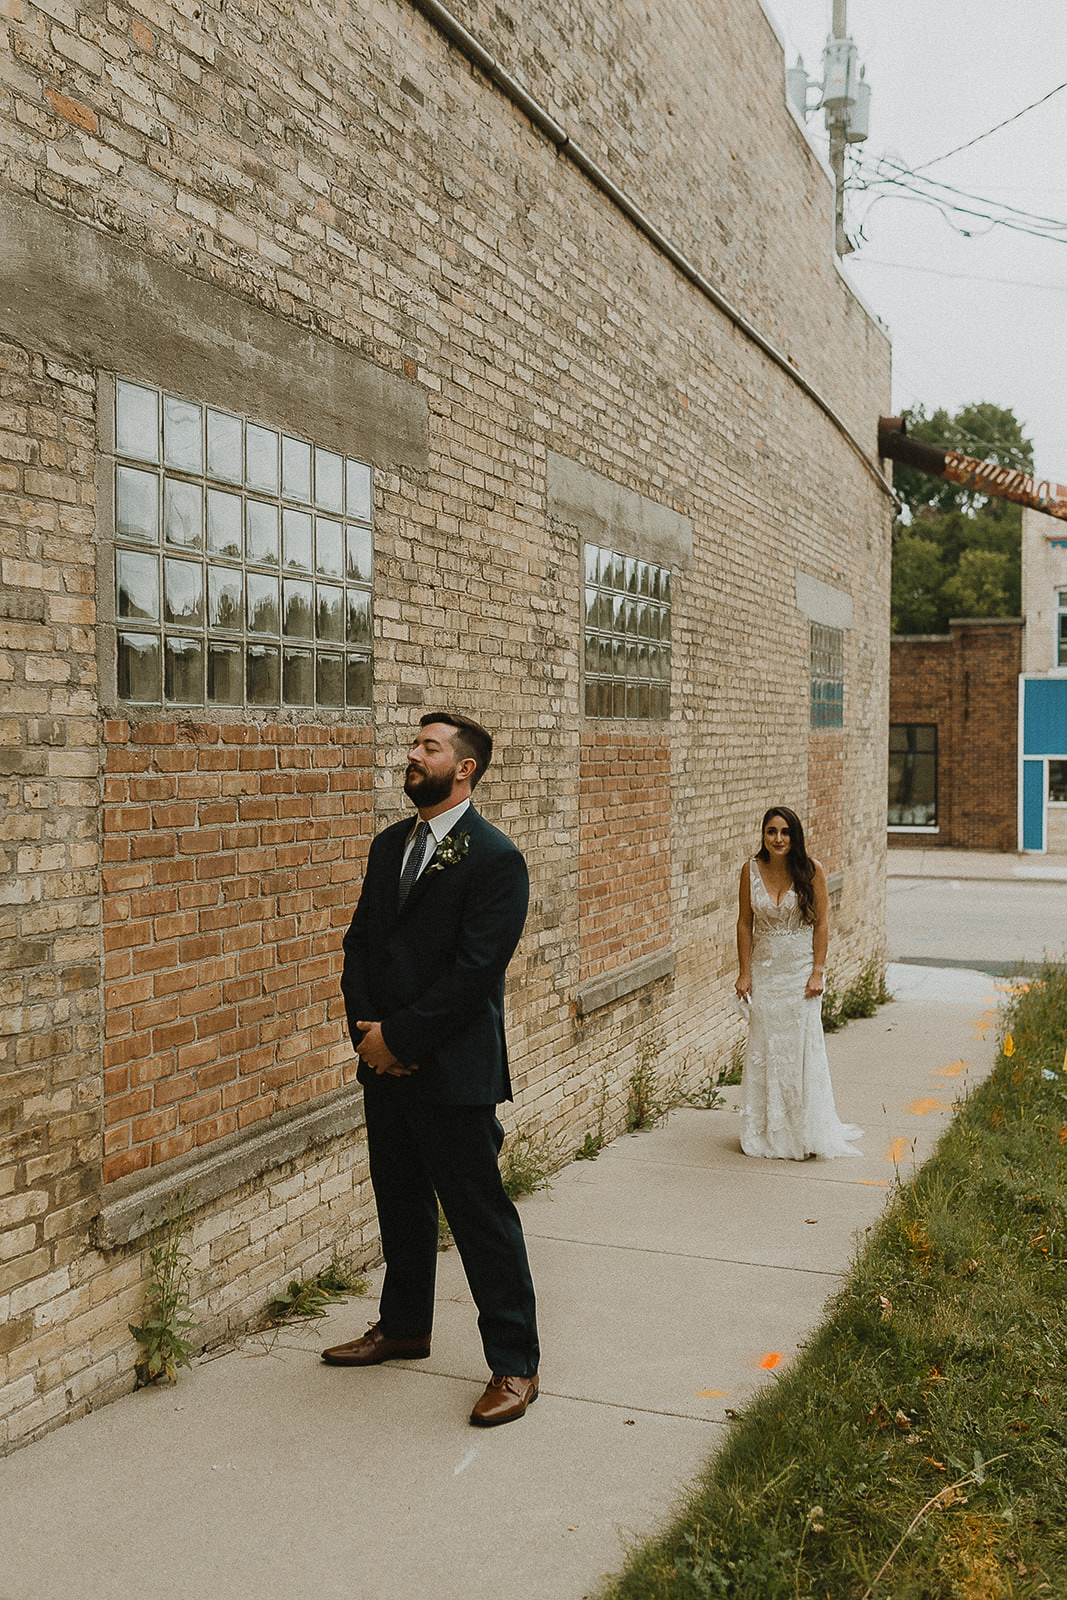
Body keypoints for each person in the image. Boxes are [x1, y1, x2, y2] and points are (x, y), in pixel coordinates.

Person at [322, 711, 540, 1427]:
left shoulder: (495, 858)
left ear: (465, 768)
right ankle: (405, 1327)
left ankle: (513, 1364)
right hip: (381, 1062)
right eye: (415, 745)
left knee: (480, 1219)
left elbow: (474, 973)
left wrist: (404, 1040)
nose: (412, 756)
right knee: (400, 1203)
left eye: (428, 747)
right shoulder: (390, 846)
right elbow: (360, 942)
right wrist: (367, 1036)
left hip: (453, 1070)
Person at [734, 806, 862, 1161]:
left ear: (795, 836)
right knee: (766, 1047)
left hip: (799, 971)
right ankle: (765, 1129)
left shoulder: (811, 870)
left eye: (785, 832)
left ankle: (803, 1131)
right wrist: (744, 972)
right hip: (766, 972)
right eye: (771, 832)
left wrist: (818, 970)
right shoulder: (750, 870)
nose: (778, 839)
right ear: (763, 835)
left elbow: (821, 924)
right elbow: (745, 923)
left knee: (800, 1049)